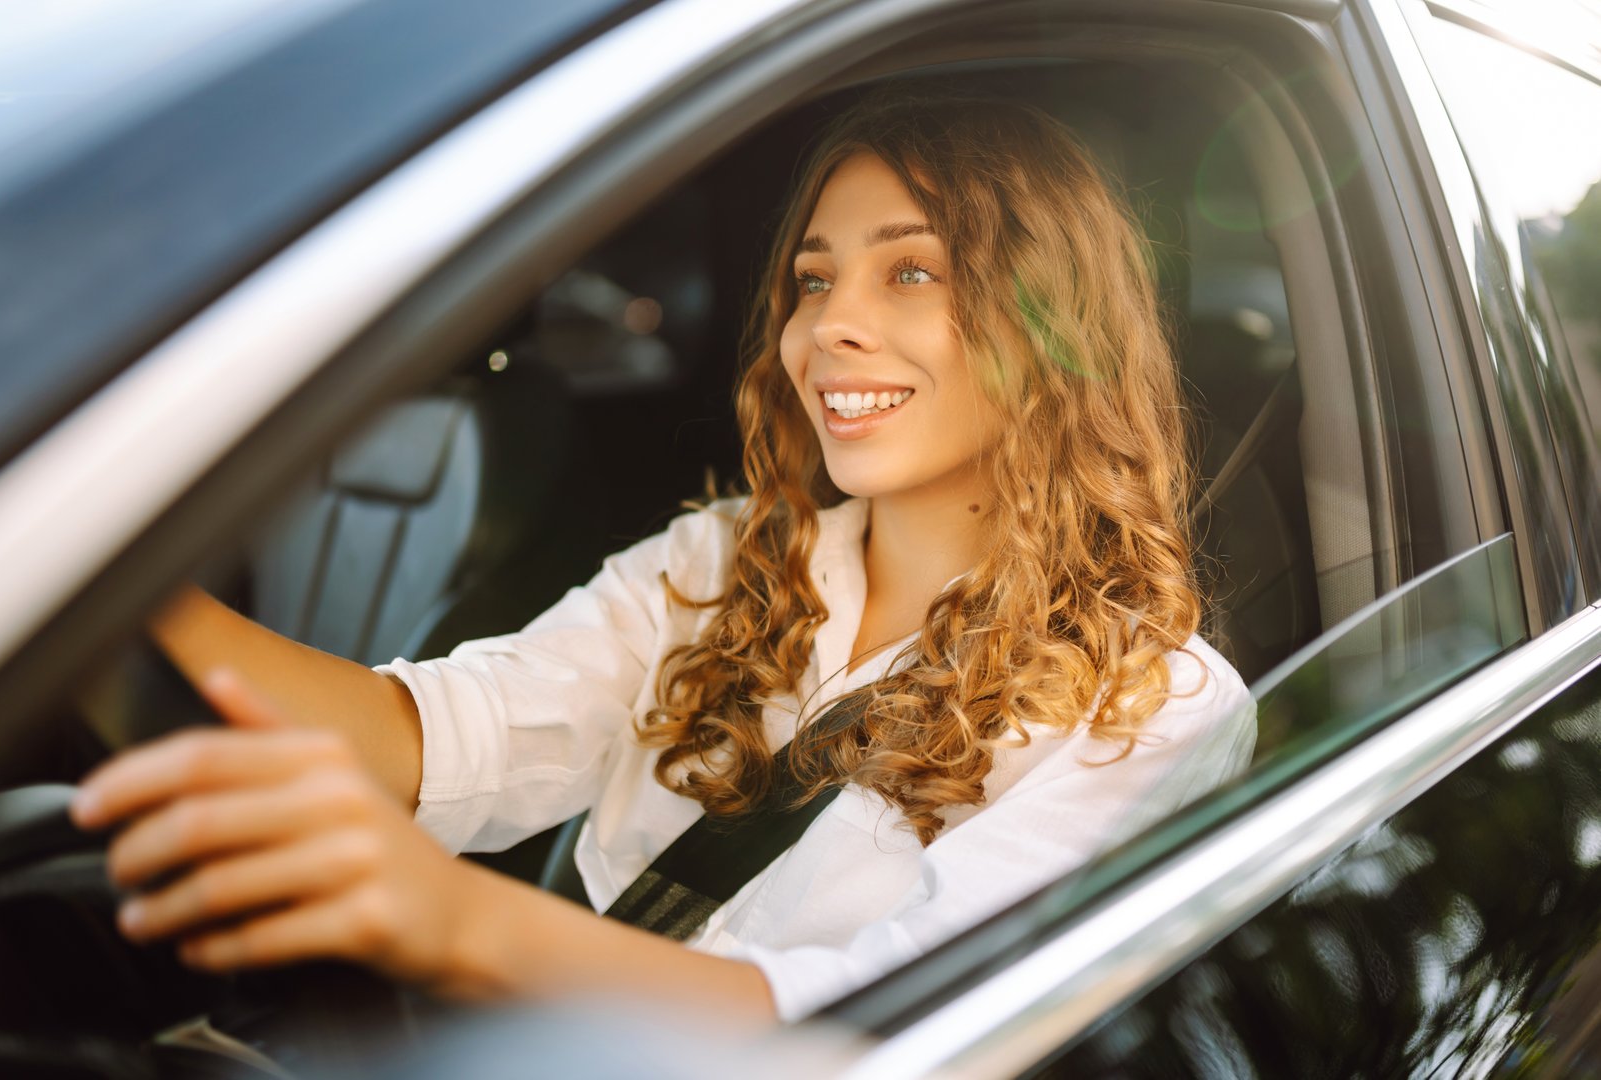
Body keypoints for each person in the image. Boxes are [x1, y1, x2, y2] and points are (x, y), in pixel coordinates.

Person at [71, 90, 1255, 1026]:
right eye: (811, 278)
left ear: (1051, 325)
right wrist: (89, 593)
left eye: (913, 270)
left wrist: (455, 922)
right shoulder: (726, 555)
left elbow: (887, 1031)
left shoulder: (1154, 707)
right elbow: (435, 734)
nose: (825, 325)